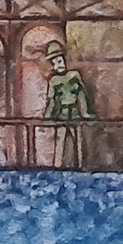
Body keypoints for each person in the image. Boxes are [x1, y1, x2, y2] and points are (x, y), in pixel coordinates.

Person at [40, 40, 96, 170]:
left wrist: (85, 112)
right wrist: (47, 117)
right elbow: (51, 100)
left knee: (78, 141)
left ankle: (81, 166)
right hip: (62, 114)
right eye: (54, 63)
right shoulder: (54, 81)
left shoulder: (74, 76)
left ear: (64, 59)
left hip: (75, 113)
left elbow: (82, 95)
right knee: (60, 140)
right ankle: (57, 167)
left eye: (59, 61)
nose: (58, 65)